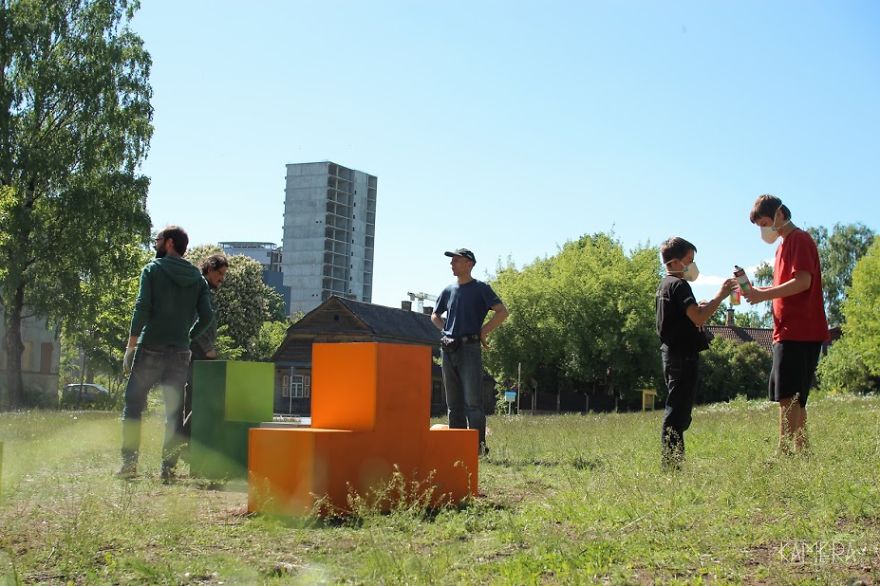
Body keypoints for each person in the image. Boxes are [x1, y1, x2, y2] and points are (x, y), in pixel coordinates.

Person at [118, 226, 213, 481]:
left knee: (133, 404)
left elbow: (142, 308)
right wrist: (188, 336)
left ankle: (129, 466)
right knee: (174, 412)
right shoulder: (198, 279)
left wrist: (130, 347)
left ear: (169, 243)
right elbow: (208, 316)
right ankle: (168, 470)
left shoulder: (152, 270)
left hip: (150, 347)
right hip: (180, 352)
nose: (155, 244)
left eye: (158, 240)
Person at [742, 195, 828, 454]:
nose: (763, 230)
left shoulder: (799, 240)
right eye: (759, 225)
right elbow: (784, 287)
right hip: (789, 330)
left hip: (800, 330)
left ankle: (784, 452)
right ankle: (803, 451)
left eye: (765, 223)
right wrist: (758, 291)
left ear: (780, 214)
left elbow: (803, 282)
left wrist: (763, 294)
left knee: (788, 395)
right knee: (794, 396)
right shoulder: (782, 246)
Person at [656, 237, 735, 469]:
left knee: (680, 412)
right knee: (677, 414)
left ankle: (674, 463)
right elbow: (699, 316)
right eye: (689, 260)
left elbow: (686, 315)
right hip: (682, 356)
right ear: (676, 262)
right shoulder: (679, 285)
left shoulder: (665, 285)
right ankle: (671, 466)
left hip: (671, 355)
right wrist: (720, 296)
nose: (693, 265)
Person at [431, 248, 508, 457]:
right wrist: (444, 330)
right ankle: (456, 448)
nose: (452, 264)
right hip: (448, 348)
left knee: (473, 402)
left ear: (469, 264)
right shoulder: (448, 290)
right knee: (453, 403)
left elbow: (502, 312)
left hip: (469, 348)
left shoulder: (481, 288)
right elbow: (435, 315)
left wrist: (483, 331)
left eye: (456, 260)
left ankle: (478, 449)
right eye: (452, 261)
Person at [180, 254, 229, 447]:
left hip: (196, 351)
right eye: (220, 273)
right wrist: (207, 348)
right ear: (209, 268)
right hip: (197, 352)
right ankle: (183, 442)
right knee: (202, 399)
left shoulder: (202, 288)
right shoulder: (201, 289)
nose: (222, 278)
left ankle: (186, 446)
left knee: (194, 399)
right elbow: (195, 320)